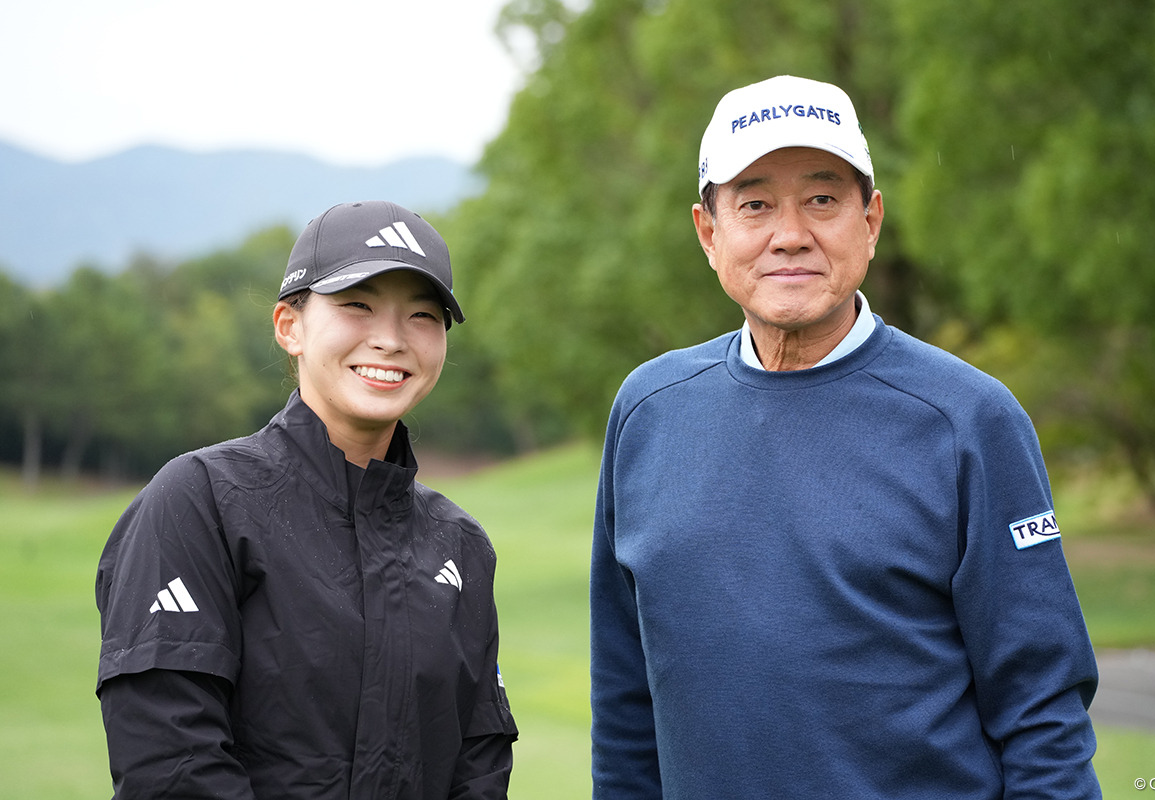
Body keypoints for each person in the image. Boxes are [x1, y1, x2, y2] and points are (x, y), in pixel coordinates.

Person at [590, 76, 1101, 799]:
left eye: (823, 199)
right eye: (755, 203)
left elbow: (1042, 710)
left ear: (871, 220)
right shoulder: (648, 410)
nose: (790, 233)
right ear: (710, 233)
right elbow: (624, 701)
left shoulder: (968, 419)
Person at [96, 200, 518, 799]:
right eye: (357, 306)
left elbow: (478, 770)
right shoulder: (201, 501)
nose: (392, 339)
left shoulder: (460, 545)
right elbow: (172, 766)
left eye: (423, 316)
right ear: (289, 326)